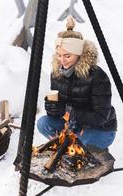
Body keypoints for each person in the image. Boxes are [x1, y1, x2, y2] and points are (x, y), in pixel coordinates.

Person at [37, 17, 117, 150]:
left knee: (80, 141)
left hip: (99, 129)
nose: (62, 60)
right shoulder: (57, 73)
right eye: (59, 55)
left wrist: (73, 115)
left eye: (67, 56)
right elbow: (59, 110)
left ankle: (91, 147)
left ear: (79, 54)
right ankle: (70, 146)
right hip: (71, 124)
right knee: (43, 123)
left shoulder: (97, 76)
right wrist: (53, 108)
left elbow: (101, 117)